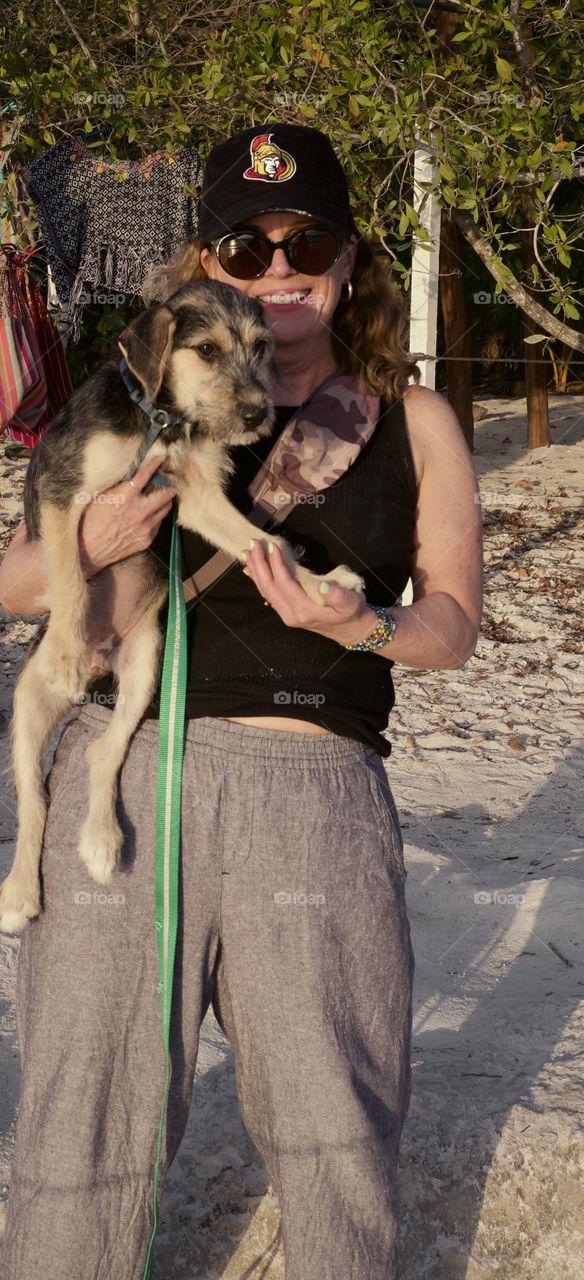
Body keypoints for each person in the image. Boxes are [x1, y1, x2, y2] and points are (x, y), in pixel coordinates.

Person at [0, 123, 483, 1279]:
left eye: (303, 240)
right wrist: (86, 530)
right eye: (246, 245)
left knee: (335, 1132)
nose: (277, 267)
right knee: (80, 1128)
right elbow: (17, 580)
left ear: (349, 257)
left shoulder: (411, 423)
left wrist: (355, 622)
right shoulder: (144, 400)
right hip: (128, 766)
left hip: (312, 795)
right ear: (208, 264)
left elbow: (452, 627)